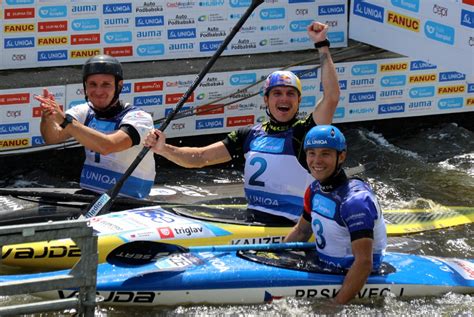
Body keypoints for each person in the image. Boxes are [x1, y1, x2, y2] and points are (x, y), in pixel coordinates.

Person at [144, 21, 340, 223]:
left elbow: (332, 97)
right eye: (277, 93)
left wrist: (321, 44)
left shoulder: (306, 132)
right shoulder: (248, 135)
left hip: (292, 224)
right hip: (253, 221)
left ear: (299, 101)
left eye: (291, 94)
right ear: (266, 100)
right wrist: (164, 149)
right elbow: (200, 157)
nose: (284, 99)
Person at [284, 125, 387, 304]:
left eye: (325, 153)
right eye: (312, 153)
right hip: (324, 265)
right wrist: (277, 258)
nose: (317, 161)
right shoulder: (315, 190)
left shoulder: (355, 202)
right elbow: (301, 231)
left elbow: (364, 263)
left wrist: (335, 306)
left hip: (353, 273)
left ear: (341, 156)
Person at [36, 54, 155, 199]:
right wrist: (47, 116)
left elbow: (107, 146)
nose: (98, 92)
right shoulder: (84, 111)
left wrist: (65, 120)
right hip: (90, 195)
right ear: (85, 86)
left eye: (106, 85)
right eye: (92, 84)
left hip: (128, 200)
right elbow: (52, 138)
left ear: (119, 86)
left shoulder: (140, 118)